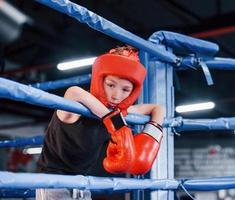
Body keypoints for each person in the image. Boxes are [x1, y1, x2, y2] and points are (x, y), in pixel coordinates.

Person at [36, 45, 165, 200]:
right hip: (53, 181)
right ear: (100, 80)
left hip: (82, 182)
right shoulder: (76, 108)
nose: (116, 96)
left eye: (126, 90)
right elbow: (73, 91)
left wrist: (150, 140)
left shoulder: (119, 111)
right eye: (111, 85)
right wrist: (114, 121)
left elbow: (157, 108)